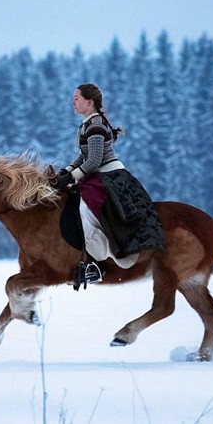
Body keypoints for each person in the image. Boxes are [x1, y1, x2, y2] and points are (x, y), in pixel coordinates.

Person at [55, 83, 164, 287]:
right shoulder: (88, 123)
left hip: (108, 176)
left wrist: (71, 177)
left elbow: (95, 160)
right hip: (98, 175)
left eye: (76, 98)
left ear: (89, 102)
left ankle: (96, 264)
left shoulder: (95, 124)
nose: (73, 102)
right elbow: (84, 155)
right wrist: (67, 170)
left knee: (86, 211)